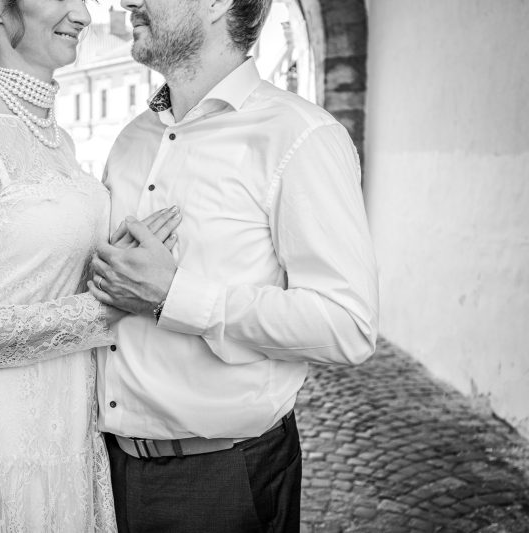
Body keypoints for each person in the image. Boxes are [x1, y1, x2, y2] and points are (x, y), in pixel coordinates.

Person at [87, 0, 380, 531]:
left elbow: (348, 325)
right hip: (107, 471)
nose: (126, 2)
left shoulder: (299, 136)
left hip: (223, 481)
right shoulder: (131, 140)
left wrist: (174, 296)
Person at [0, 0, 180, 531]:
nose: (83, 15)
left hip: (69, 433)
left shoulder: (59, 139)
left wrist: (114, 262)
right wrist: (107, 308)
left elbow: (40, 272)